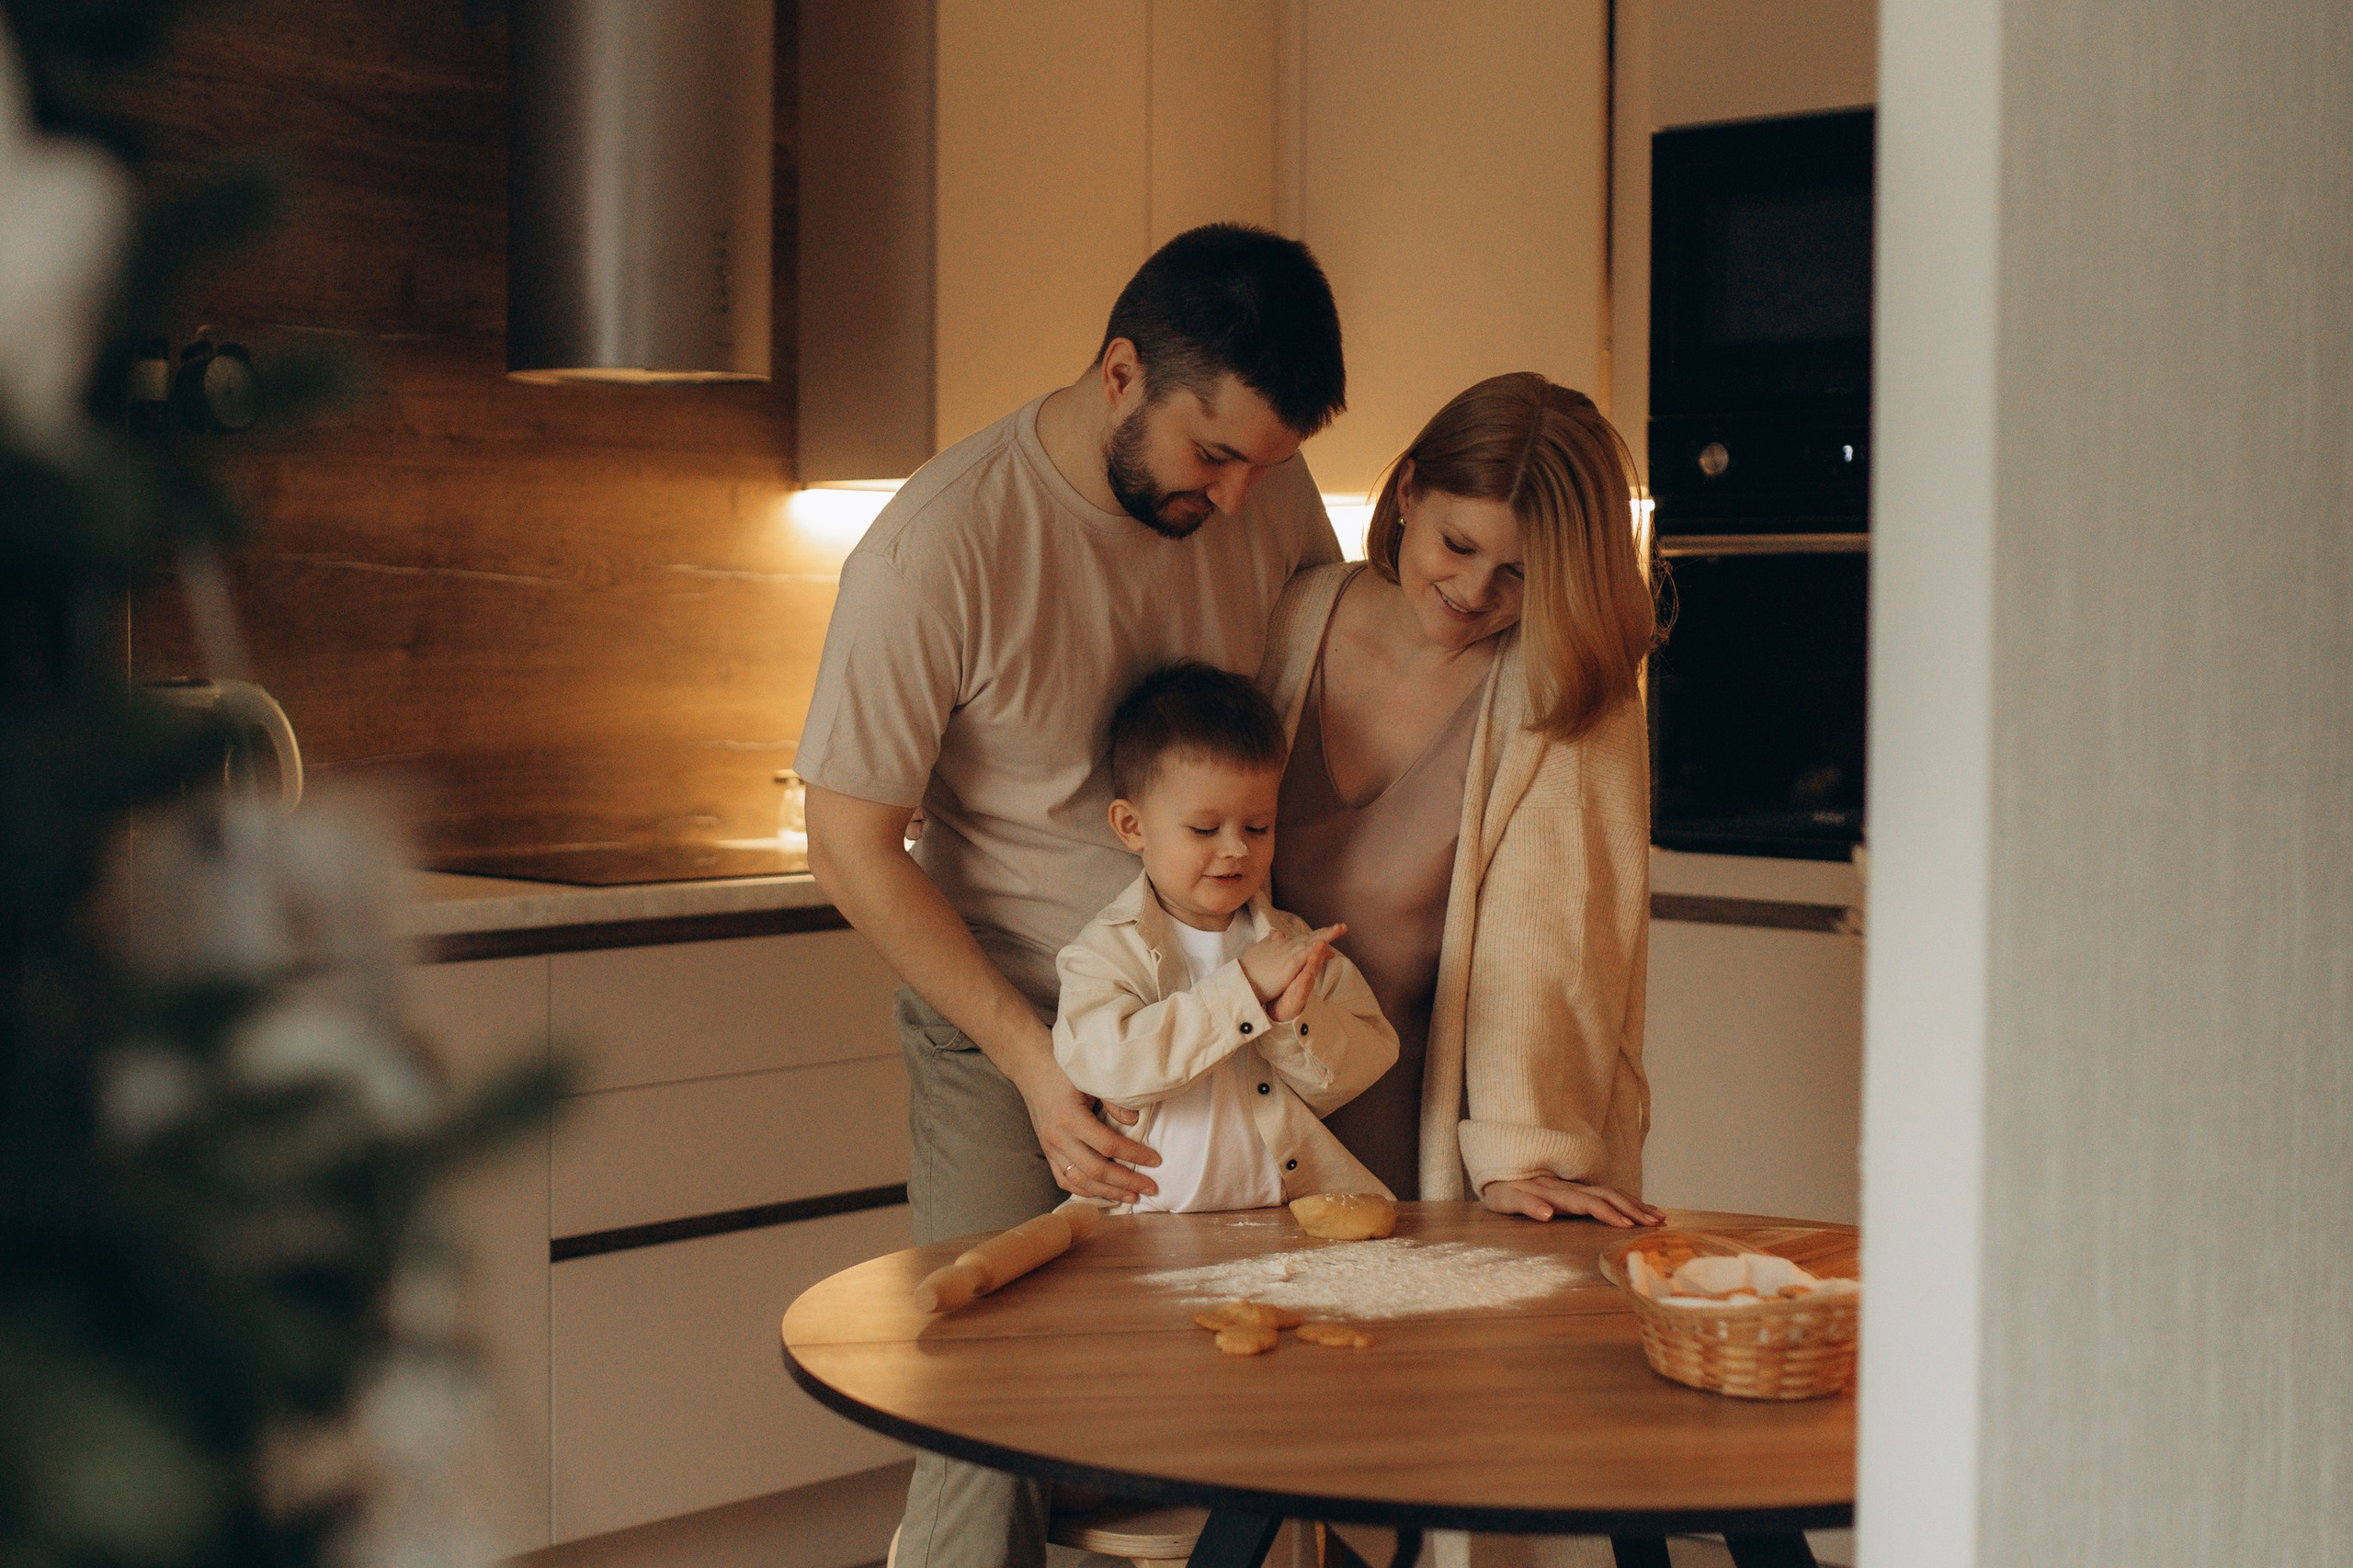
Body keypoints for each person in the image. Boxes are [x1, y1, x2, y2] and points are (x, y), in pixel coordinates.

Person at [797, 223, 1346, 1568]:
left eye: (1263, 466)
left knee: (1284, 1382)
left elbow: (1337, 667)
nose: (1235, 499)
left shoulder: (1266, 488)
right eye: (1212, 455)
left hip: (1224, 1000)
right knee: (994, 1397)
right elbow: (851, 842)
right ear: (1118, 374)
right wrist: (1039, 1064)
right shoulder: (935, 548)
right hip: (1019, 1004)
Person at [1258, 372, 1670, 1227]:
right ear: (1408, 490)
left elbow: (1553, 947)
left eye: (1518, 572)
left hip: (1424, 1156)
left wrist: (1526, 1147)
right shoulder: (1290, 616)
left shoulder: (1568, 693)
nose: (1476, 591)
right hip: (1237, 1136)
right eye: (1457, 544)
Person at [1052, 663, 1398, 1211]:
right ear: (1131, 827)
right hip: (1135, 1229)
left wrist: (1289, 1020)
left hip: (1280, 1218)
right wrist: (1240, 989)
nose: (1237, 849)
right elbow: (1106, 1068)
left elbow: (1359, 1068)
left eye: (1257, 827)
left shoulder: (1290, 944)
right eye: (1205, 829)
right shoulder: (1102, 953)